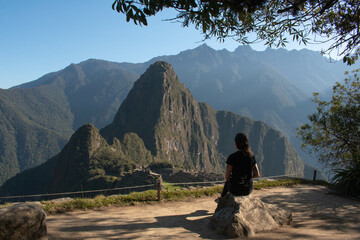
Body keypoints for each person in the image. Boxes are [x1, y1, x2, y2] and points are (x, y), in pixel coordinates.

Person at [217, 133, 260, 201]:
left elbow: (227, 176)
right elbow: (257, 174)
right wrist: (248, 179)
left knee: (227, 182)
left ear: (236, 144)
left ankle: (222, 199)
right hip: (248, 189)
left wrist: (235, 179)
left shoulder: (232, 157)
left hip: (236, 189)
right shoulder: (251, 156)